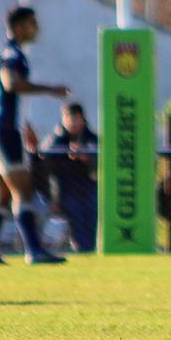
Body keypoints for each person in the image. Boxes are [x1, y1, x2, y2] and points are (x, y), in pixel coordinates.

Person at [0, 6, 71, 265]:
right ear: (19, 26)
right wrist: (50, 89)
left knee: (1, 194)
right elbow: (11, 84)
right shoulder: (11, 54)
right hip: (2, 129)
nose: (36, 29)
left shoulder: (10, 52)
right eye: (32, 24)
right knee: (23, 189)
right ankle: (34, 250)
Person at [41, 101, 100, 253]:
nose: (72, 122)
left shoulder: (91, 139)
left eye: (76, 118)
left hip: (89, 189)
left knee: (92, 216)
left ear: (82, 119)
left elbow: (99, 167)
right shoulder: (55, 141)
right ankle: (82, 250)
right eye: (69, 118)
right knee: (77, 218)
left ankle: (90, 250)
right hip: (65, 192)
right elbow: (45, 170)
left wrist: (85, 157)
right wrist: (52, 198)